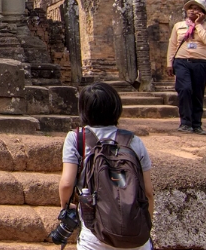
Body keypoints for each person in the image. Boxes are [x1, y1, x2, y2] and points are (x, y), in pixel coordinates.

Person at [58, 82, 154, 250]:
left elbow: (66, 183)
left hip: (95, 235)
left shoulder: (77, 139)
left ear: (83, 110)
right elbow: (148, 193)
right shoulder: (133, 141)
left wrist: (66, 206)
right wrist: (144, 227)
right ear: (116, 107)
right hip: (136, 236)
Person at [166, 0, 206, 135]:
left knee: (198, 93)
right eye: (190, 8)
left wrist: (198, 24)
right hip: (182, 61)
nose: (192, 10)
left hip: (200, 62)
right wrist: (170, 63)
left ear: (203, 13)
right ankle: (185, 123)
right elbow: (172, 44)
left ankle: (197, 124)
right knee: (185, 89)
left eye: (197, 8)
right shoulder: (179, 25)